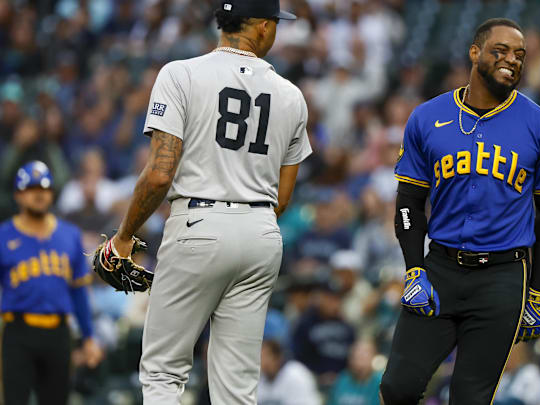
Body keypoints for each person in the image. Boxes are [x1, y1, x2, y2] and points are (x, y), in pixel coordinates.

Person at [94, 0, 312, 403]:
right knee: (237, 386)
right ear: (263, 27)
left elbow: (159, 173)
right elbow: (283, 197)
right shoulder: (291, 95)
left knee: (163, 371)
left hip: (198, 224)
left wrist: (124, 236)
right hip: (261, 233)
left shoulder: (181, 74)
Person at [380, 18, 540, 404]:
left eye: (520, 54)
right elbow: (409, 204)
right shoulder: (427, 117)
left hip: (502, 278)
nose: (512, 60)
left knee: (470, 398)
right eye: (501, 50)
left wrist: (538, 293)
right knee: (397, 387)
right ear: (475, 52)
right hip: (441, 270)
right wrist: (414, 269)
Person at [0, 161, 102, 405]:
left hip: (58, 333)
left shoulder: (69, 235)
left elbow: (79, 291)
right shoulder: (3, 235)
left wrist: (88, 337)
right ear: (18, 195)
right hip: (17, 331)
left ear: (52, 193)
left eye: (44, 188)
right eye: (31, 188)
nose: (39, 194)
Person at [256, 339, 322, 405]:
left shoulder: (296, 374)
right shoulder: (259, 378)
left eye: (264, 356)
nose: (261, 361)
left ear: (277, 358)